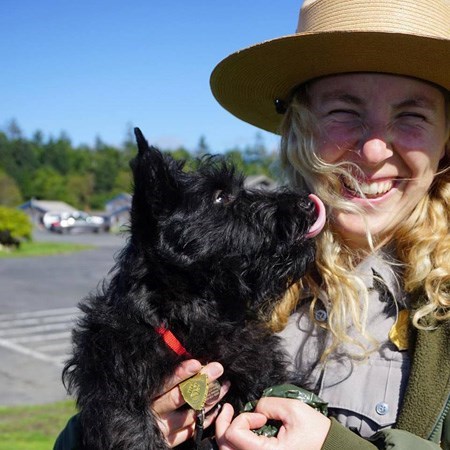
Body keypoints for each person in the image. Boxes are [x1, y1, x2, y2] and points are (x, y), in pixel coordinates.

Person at [55, 0, 449, 448]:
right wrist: (113, 432)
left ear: (447, 140)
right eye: (345, 110)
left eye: (412, 115)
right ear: (298, 128)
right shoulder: (221, 271)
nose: (375, 151)